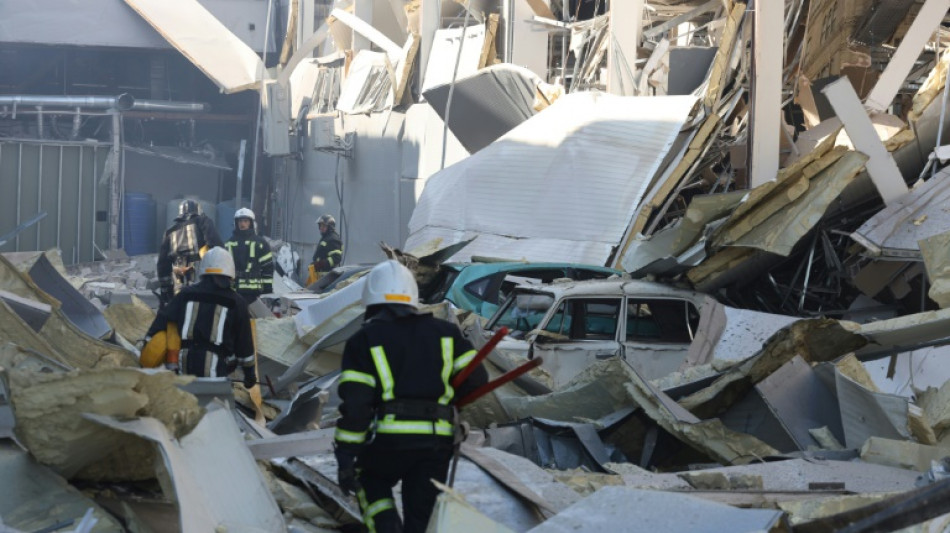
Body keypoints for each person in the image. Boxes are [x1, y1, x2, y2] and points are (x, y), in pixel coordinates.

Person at [334, 260, 488, 533]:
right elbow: (477, 380)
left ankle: (387, 526)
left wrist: (346, 456)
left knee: (370, 481)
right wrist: (446, 402)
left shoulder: (364, 339)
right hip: (437, 442)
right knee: (422, 517)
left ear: (370, 301)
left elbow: (357, 406)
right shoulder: (446, 334)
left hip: (389, 441)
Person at [144, 246, 256, 388]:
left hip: (184, 364)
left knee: (185, 399)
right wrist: (249, 374)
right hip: (214, 369)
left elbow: (163, 320)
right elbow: (244, 343)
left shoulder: (185, 294)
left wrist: (148, 345)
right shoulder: (237, 302)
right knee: (212, 401)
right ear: (230, 274)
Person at [157, 199, 223, 304]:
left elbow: (163, 264)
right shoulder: (203, 221)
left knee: (181, 310)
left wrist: (166, 289)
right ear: (198, 211)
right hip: (200, 280)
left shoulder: (169, 232)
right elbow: (215, 246)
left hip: (178, 282)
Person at [224, 207, 274, 307]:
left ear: (251, 223)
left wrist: (267, 289)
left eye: (245, 221)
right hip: (234, 292)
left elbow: (268, 268)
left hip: (255, 293)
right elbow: (224, 268)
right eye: (240, 221)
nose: (242, 224)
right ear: (236, 223)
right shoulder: (228, 244)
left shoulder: (261, 243)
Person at [310, 214, 343, 281]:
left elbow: (336, 258)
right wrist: (315, 264)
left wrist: (321, 264)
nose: (321, 228)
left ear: (330, 227)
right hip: (322, 277)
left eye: (324, 226)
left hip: (328, 278)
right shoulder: (326, 237)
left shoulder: (333, 239)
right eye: (320, 226)